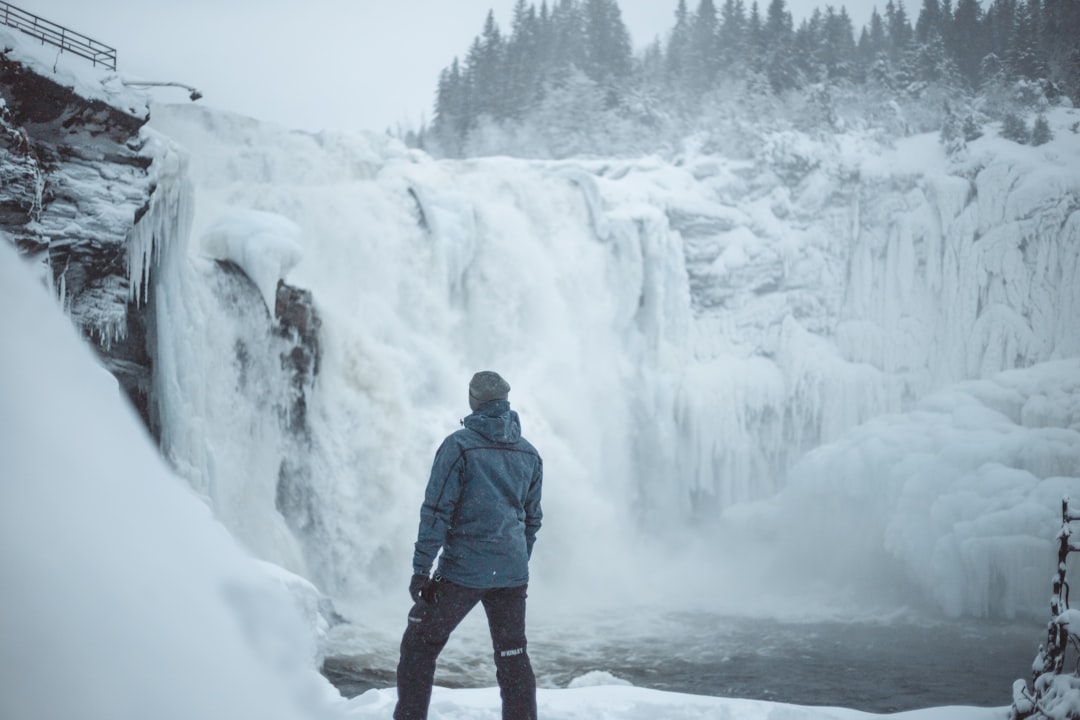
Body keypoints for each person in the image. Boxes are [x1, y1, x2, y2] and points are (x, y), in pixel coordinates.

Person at [394, 371, 543, 720]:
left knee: (419, 645)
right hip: (510, 573)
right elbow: (532, 519)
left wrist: (421, 570)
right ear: (505, 403)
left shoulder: (459, 446)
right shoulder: (529, 453)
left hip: (463, 571)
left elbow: (436, 512)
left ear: (474, 402)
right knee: (512, 654)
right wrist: (516, 559)